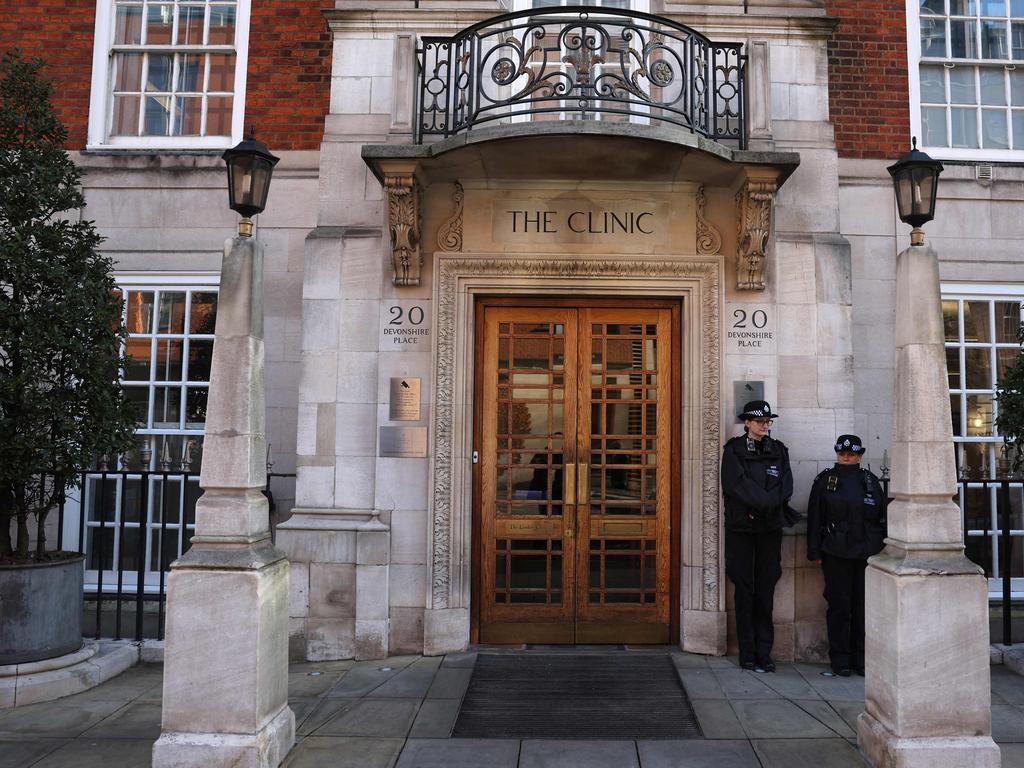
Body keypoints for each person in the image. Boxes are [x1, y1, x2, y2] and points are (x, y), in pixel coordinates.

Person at [806, 434, 887, 677]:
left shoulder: (870, 481)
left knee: (863, 607)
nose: (846, 458)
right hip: (836, 553)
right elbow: (815, 518)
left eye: (851, 454)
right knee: (840, 607)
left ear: (860, 455)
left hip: (865, 553)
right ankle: (840, 659)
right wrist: (814, 551)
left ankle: (861, 658)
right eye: (842, 454)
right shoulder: (825, 481)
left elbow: (882, 519)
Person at [721, 400, 794, 673]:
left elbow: (785, 485)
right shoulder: (734, 450)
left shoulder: (779, 450)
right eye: (760, 421)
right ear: (747, 423)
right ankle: (747, 653)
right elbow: (735, 484)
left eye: (768, 422)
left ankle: (764, 652)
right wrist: (763, 503)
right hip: (742, 527)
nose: (765, 425)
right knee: (744, 589)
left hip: (769, 527)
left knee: (766, 589)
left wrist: (768, 504)